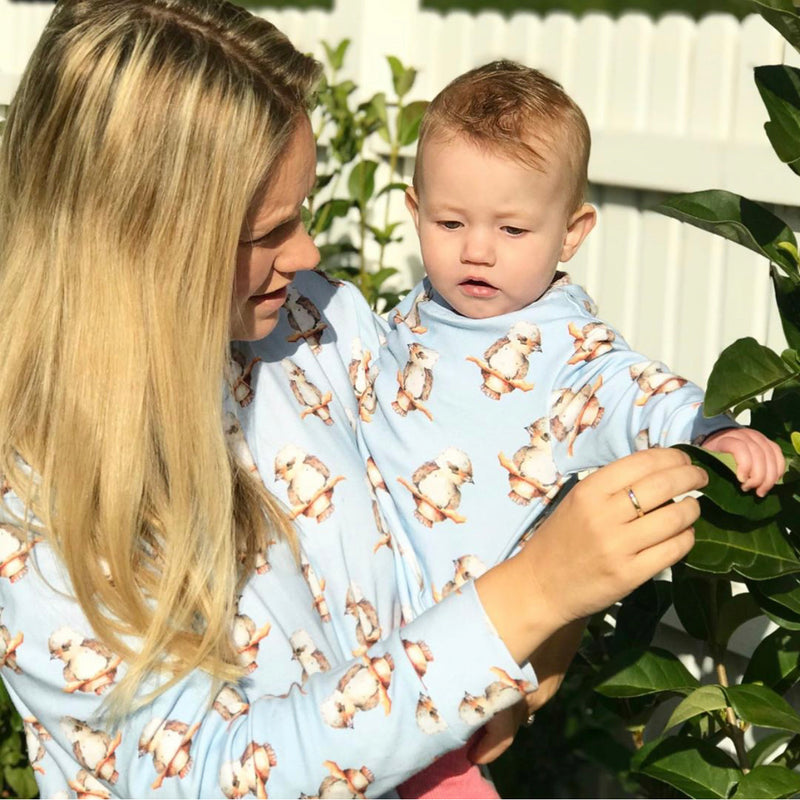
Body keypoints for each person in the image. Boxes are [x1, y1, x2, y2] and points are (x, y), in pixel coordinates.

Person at [0, 4, 711, 797]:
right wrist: (527, 598)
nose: (307, 253)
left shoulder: (308, 324)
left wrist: (546, 618)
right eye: (265, 232)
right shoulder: (40, 488)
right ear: (139, 238)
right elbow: (202, 777)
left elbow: (486, 440)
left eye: (302, 211)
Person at [344, 61, 785, 798]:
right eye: (449, 223)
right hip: (350, 645)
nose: (476, 250)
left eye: (512, 228)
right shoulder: (406, 316)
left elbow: (641, 392)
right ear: (415, 208)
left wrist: (711, 432)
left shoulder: (567, 355)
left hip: (455, 668)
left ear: (573, 231)